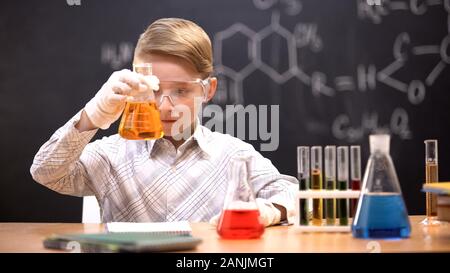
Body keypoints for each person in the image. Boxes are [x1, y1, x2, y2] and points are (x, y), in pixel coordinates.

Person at [30, 18, 297, 226]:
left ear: (208, 90)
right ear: (135, 84)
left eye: (181, 91)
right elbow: (46, 173)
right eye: (154, 89)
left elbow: (291, 193)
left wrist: (269, 212)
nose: (165, 105)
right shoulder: (110, 155)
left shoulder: (233, 155)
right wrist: (93, 114)